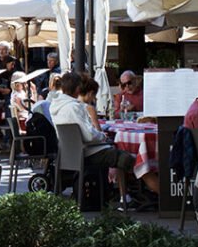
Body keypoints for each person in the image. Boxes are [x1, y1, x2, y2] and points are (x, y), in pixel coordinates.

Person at [51, 72, 135, 202]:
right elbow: (89, 135)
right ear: (78, 89)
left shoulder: (55, 106)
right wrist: (102, 136)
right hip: (87, 152)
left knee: (117, 153)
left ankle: (120, 196)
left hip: (69, 154)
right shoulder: (74, 107)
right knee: (126, 157)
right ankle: (127, 197)